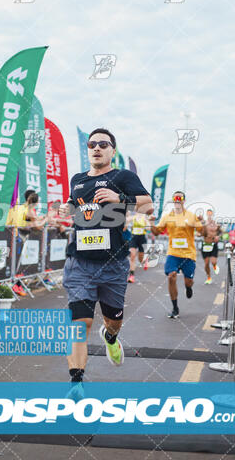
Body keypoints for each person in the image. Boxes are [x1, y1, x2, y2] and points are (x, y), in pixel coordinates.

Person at [59, 128, 153, 390]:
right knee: (80, 321)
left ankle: (110, 337)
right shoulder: (77, 179)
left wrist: (120, 198)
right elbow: (73, 206)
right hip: (79, 263)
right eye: (92, 144)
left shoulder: (122, 176)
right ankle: (76, 384)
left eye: (103, 144)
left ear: (113, 150)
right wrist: (63, 210)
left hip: (113, 264)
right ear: (87, 149)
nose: (96, 148)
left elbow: (148, 206)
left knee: (113, 321)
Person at [150, 191, 205, 319]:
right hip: (173, 253)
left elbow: (202, 232)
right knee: (171, 276)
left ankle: (188, 287)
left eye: (180, 198)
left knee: (189, 281)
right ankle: (175, 308)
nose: (177, 200)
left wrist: (202, 222)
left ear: (184, 201)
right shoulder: (167, 216)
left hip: (188, 254)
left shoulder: (191, 216)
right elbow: (157, 232)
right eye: (175, 198)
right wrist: (151, 223)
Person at [127, 212, 149, 283]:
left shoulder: (144, 217)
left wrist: (147, 223)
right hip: (133, 237)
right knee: (132, 256)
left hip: (142, 238)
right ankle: (131, 276)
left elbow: (149, 228)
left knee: (140, 259)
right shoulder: (133, 217)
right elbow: (126, 220)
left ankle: (145, 260)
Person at [201, 209, 221, 284]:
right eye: (208, 213)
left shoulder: (216, 224)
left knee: (213, 261)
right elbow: (200, 232)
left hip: (213, 244)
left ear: (212, 214)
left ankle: (215, 266)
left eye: (210, 213)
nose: (209, 214)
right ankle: (209, 277)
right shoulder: (204, 223)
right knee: (206, 263)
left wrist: (218, 236)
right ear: (206, 214)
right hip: (206, 244)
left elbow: (220, 232)